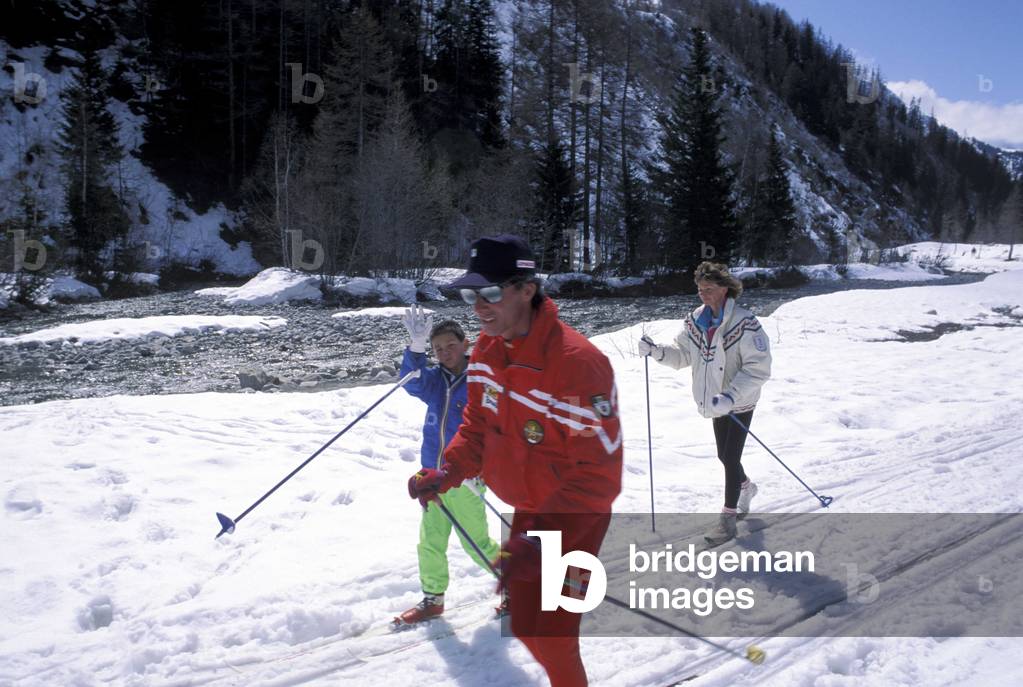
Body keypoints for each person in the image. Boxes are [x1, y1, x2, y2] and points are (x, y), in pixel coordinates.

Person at [407, 234, 623, 687]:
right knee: (525, 623)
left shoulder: (577, 365)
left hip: (575, 519)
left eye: (490, 292)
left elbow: (599, 477)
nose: (478, 306)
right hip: (530, 514)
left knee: (555, 633)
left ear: (527, 289)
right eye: (471, 294)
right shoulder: (486, 350)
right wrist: (449, 472)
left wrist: (543, 543)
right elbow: (477, 426)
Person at [639, 261, 771, 545]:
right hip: (714, 399)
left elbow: (758, 369)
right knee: (724, 456)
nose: (703, 294)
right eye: (700, 290)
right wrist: (656, 352)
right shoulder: (696, 321)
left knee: (730, 457)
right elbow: (682, 355)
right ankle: (746, 487)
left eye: (709, 289)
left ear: (725, 289)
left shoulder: (745, 323)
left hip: (739, 401)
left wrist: (731, 396)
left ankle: (727, 520)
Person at [395, 306, 501, 625]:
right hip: (432, 476)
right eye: (437, 348)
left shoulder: (481, 380)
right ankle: (433, 599)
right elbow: (410, 381)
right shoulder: (434, 381)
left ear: (465, 344)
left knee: (477, 545)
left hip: (466, 478)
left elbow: (494, 429)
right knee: (430, 542)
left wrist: (482, 467)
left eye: (450, 346)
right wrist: (415, 347)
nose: (443, 353)